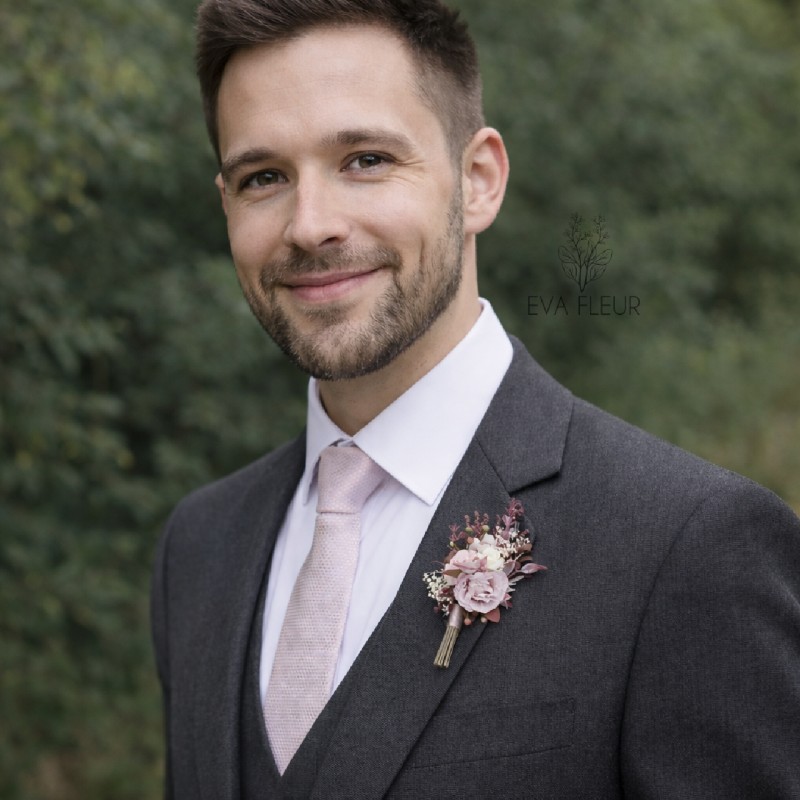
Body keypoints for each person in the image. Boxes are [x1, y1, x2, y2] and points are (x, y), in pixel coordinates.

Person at [150, 1, 800, 797]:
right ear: (227, 205)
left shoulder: (691, 549)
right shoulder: (201, 546)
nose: (309, 225)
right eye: (264, 178)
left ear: (479, 180)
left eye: (365, 160)